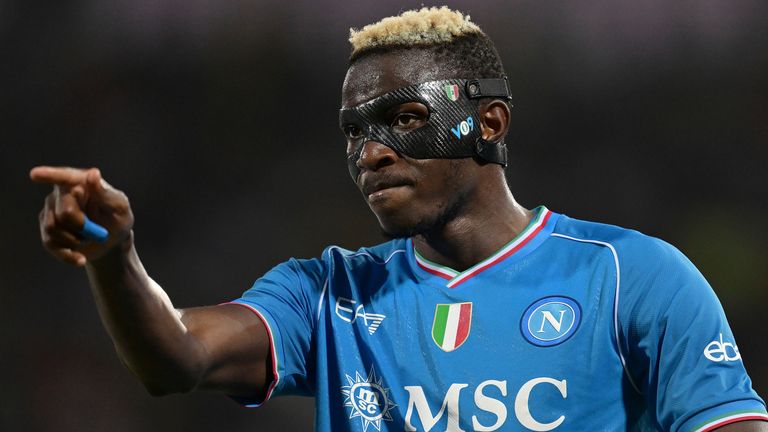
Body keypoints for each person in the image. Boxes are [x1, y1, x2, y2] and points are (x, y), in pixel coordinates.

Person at [30, 6, 767, 432]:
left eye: (403, 119)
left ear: (489, 122)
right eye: (354, 131)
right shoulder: (328, 294)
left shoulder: (629, 277)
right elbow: (176, 360)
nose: (371, 154)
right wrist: (112, 256)